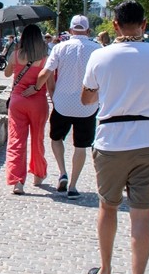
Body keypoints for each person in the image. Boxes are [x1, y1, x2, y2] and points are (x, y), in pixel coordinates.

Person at [81, 0, 149, 274]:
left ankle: (107, 273)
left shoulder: (101, 56)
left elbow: (86, 99)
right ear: (145, 24)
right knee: (141, 215)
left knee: (108, 207)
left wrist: (109, 88)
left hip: (111, 142)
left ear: (115, 25)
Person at [36, 15, 101, 199]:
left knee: (56, 138)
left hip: (62, 103)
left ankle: (62, 172)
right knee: (81, 146)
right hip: (86, 105)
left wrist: (37, 88)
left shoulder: (59, 48)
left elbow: (46, 73)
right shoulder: (97, 50)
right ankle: (73, 185)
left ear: (71, 30)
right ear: (88, 31)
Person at [4, 24, 50, 195]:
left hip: (17, 102)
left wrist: (15, 54)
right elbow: (48, 81)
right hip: (38, 102)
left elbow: (7, 74)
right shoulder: (45, 59)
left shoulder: (16, 55)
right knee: (37, 140)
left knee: (16, 140)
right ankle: (38, 174)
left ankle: (17, 181)